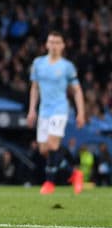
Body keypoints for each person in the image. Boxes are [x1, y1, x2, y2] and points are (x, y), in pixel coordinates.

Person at [27, 30, 85, 195]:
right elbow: (35, 88)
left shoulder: (67, 67)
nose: (53, 45)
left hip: (59, 109)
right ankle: (74, 173)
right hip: (44, 110)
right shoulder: (38, 63)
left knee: (53, 144)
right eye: (51, 42)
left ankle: (49, 182)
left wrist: (81, 113)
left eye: (57, 42)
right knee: (44, 150)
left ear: (62, 45)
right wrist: (32, 110)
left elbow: (77, 90)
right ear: (46, 44)